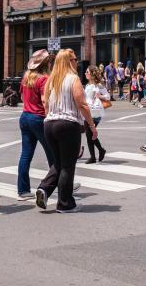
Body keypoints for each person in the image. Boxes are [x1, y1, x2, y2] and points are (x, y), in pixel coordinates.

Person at [35, 48, 96, 213]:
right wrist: (91, 125)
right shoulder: (73, 78)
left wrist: (51, 118)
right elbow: (82, 104)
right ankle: (65, 203)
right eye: (75, 59)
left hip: (49, 124)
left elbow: (45, 104)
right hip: (68, 124)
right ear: (69, 62)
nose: (77, 62)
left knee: (59, 162)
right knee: (68, 166)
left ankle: (44, 189)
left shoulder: (51, 80)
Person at [17, 49, 55, 200]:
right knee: (53, 153)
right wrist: (49, 117)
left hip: (25, 116)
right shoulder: (43, 79)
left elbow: (21, 96)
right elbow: (45, 100)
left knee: (26, 155)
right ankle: (58, 183)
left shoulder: (26, 78)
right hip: (38, 117)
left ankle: (23, 190)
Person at [82, 65, 109, 163]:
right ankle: (96, 153)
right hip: (87, 112)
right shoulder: (87, 85)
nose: (85, 73)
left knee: (90, 134)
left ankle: (97, 153)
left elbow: (108, 97)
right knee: (89, 134)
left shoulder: (99, 85)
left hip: (96, 113)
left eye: (87, 72)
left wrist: (100, 96)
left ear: (92, 74)